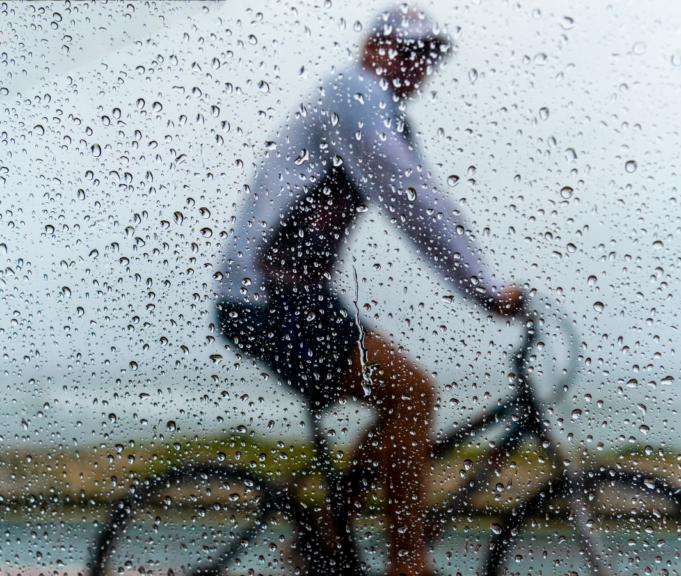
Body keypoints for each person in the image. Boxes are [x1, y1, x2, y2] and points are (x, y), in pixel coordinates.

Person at [216, 5, 525, 575]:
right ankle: (407, 561)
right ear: (373, 48)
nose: (417, 69)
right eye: (408, 54)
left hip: (295, 297)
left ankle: (326, 538)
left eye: (426, 59)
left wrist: (482, 285)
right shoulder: (354, 95)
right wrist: (483, 288)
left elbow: (423, 195)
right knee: (411, 394)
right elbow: (413, 199)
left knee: (403, 398)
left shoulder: (379, 110)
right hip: (268, 299)